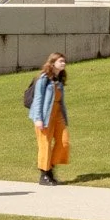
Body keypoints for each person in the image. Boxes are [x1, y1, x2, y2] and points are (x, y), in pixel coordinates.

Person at [26, 53, 71, 186]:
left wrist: (64, 116)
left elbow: (60, 100)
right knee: (45, 144)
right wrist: (38, 118)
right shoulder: (44, 78)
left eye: (64, 61)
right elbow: (38, 99)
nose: (63, 63)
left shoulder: (59, 78)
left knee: (64, 142)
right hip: (45, 116)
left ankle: (50, 166)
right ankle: (44, 175)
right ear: (52, 63)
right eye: (60, 61)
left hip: (57, 114)